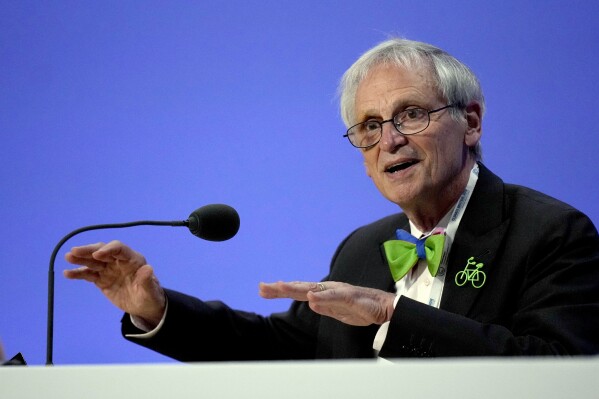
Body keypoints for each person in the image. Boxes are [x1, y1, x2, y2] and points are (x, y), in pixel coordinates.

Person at [64, 38, 599, 360]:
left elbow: (559, 369)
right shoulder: (362, 250)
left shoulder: (551, 234)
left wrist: (392, 313)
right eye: (367, 126)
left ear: (471, 123)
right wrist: (157, 311)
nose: (388, 140)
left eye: (411, 114)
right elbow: (284, 351)